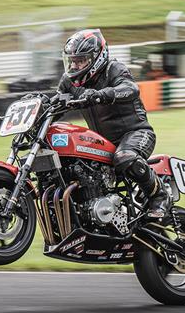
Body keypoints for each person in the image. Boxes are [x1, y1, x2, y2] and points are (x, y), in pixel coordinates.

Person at [56, 29, 170, 219]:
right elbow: (57, 102)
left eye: (80, 60)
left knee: (125, 157)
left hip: (135, 134)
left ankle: (160, 196)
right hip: (101, 143)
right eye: (73, 61)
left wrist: (102, 95)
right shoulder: (69, 81)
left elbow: (130, 89)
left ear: (96, 58)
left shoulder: (113, 69)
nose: (75, 66)